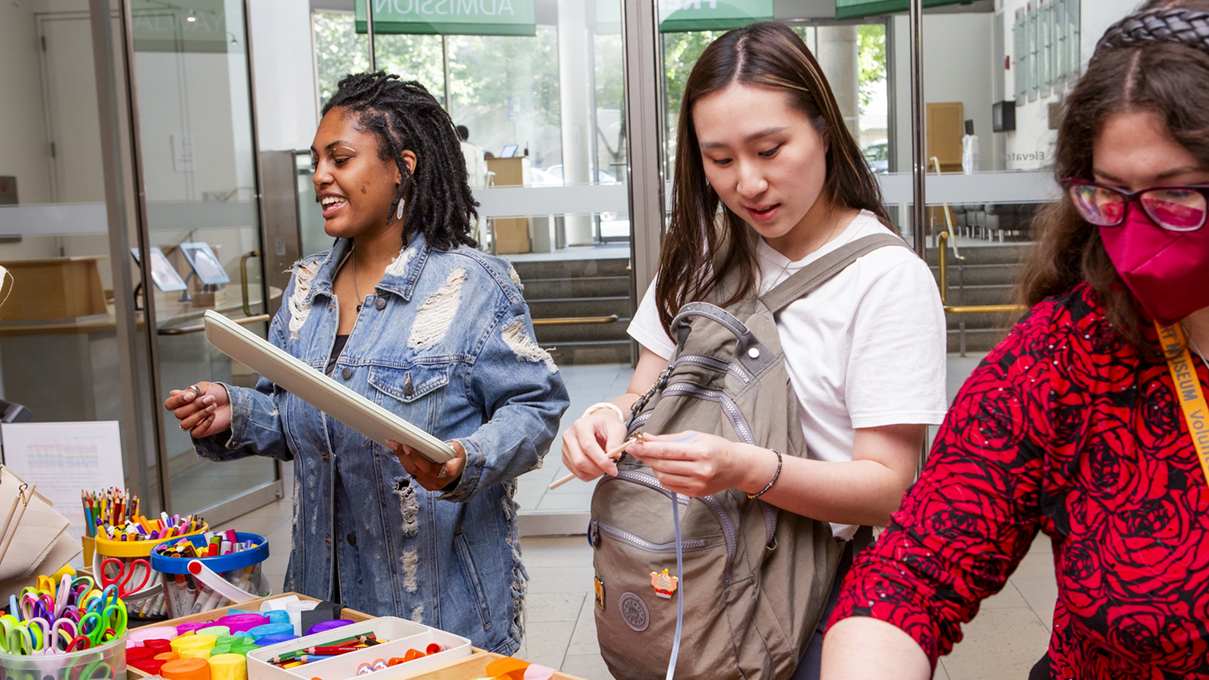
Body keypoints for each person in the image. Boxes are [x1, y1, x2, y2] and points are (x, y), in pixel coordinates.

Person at [821, 3, 1209, 678]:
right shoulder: (1068, 354)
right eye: (1109, 196)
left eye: (1176, 196)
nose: (1137, 236)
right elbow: (911, 575)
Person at [560, 21, 947, 678]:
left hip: (805, 597)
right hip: (691, 575)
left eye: (770, 149)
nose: (747, 184)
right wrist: (604, 420)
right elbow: (641, 392)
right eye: (719, 160)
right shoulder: (702, 253)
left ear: (824, 129)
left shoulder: (885, 278)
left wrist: (743, 469)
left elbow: (888, 488)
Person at [163, 72, 569, 655]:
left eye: (341, 158)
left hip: (434, 613)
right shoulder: (306, 292)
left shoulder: (472, 285)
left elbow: (535, 406)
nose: (321, 175)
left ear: (403, 166)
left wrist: (463, 461)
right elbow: (296, 417)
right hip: (317, 610)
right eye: (317, 160)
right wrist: (236, 411)